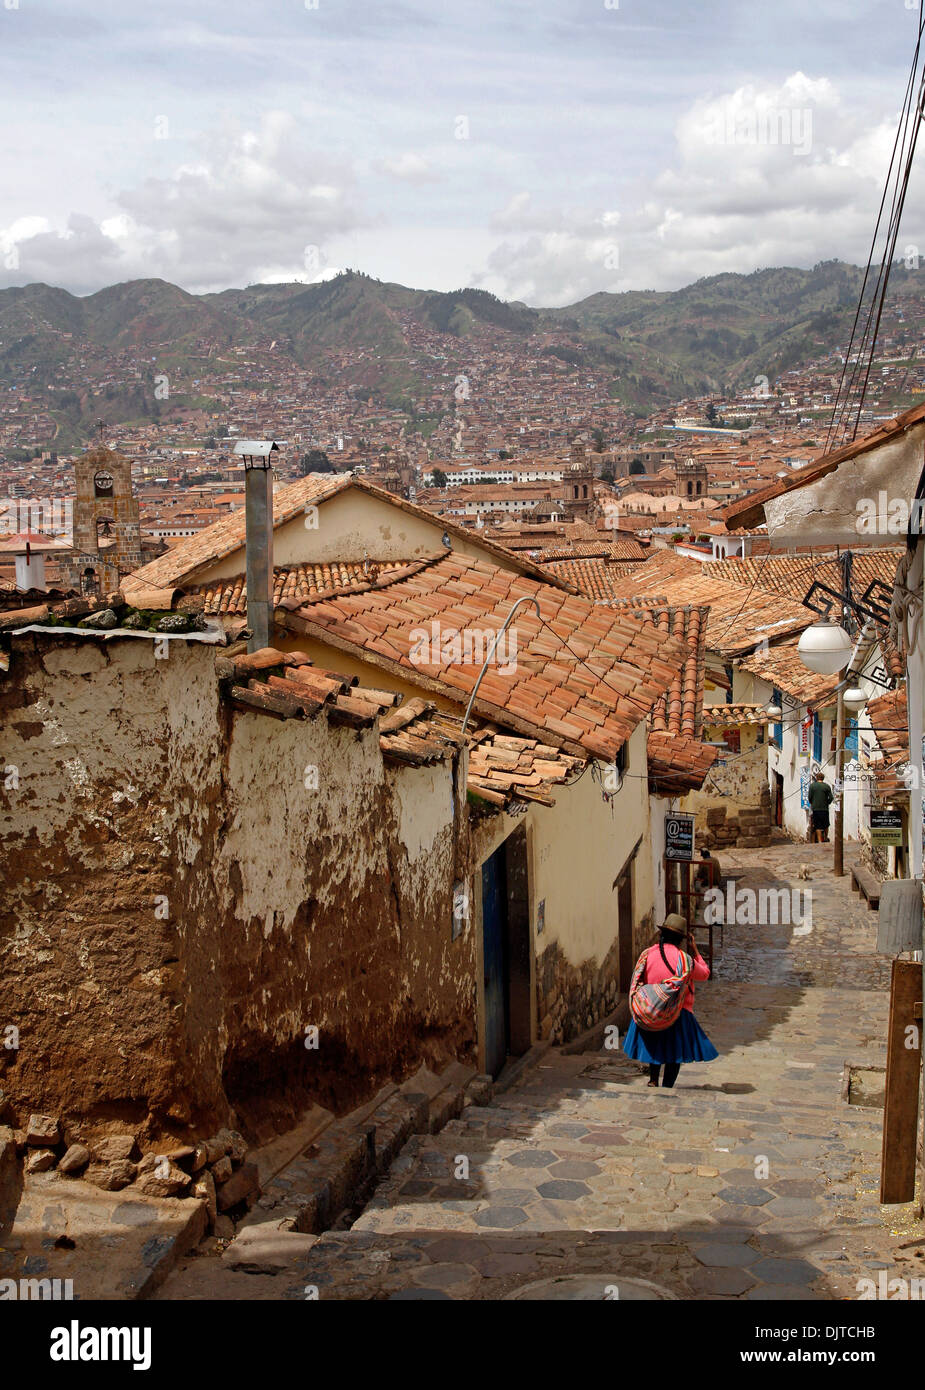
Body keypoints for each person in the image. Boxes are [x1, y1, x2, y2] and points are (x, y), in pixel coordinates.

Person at [622, 913, 718, 1087]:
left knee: (655, 1045)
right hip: (678, 1012)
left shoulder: (648, 954)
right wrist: (695, 950)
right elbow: (704, 974)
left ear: (662, 934)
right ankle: (667, 1086)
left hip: (651, 1009)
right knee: (675, 1053)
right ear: (681, 939)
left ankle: (653, 1079)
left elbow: (638, 979)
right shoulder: (685, 960)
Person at [807, 769, 834, 843]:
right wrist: (827, 803)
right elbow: (831, 797)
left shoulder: (812, 786)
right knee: (826, 824)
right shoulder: (827, 786)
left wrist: (813, 803)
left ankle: (819, 841)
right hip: (825, 809)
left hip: (816, 809)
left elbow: (809, 797)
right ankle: (825, 837)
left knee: (818, 825)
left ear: (816, 778)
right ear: (823, 778)